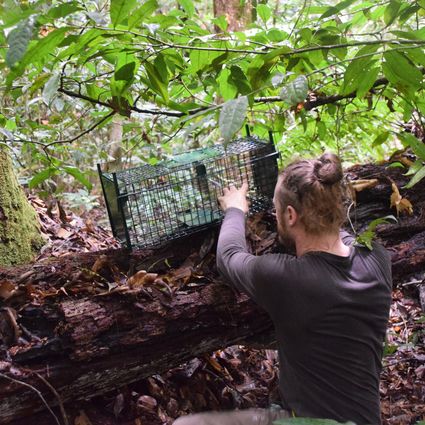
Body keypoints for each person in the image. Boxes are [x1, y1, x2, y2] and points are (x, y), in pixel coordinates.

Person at [173, 153, 392, 425]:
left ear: (290, 215)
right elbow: (341, 234)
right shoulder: (377, 258)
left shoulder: (287, 277)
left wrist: (235, 208)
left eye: (276, 209)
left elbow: (228, 257)